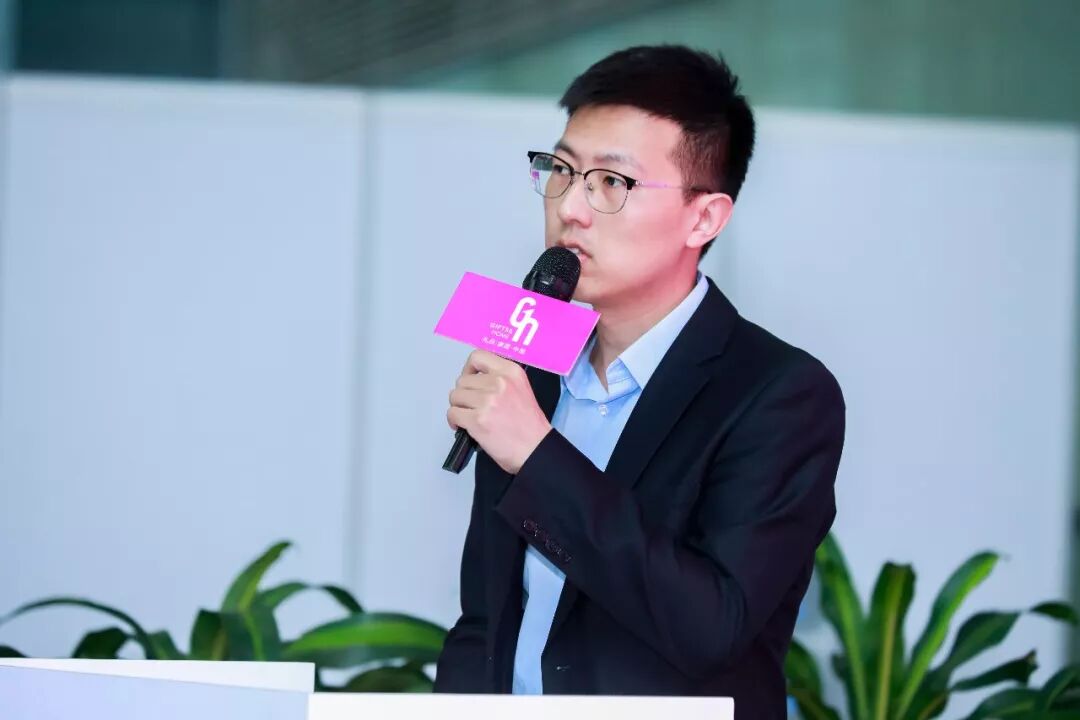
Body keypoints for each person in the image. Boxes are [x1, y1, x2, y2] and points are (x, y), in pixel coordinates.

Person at [434, 45, 845, 718]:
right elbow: (485, 620)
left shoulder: (780, 394)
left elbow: (710, 626)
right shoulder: (532, 365)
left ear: (704, 217)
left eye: (611, 182)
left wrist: (537, 457)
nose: (571, 207)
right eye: (562, 171)